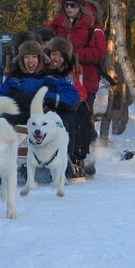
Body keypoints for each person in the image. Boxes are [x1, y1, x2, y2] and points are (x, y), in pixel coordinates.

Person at [43, 0, 107, 111]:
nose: (68, 8)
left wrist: (73, 54)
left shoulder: (93, 25)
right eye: (66, 5)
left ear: (80, 5)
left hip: (86, 79)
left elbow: (100, 51)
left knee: (82, 117)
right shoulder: (56, 24)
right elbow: (44, 39)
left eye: (72, 5)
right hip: (59, 79)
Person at [0, 40, 79, 127]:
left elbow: (72, 95)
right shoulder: (13, 79)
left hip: (42, 121)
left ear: (40, 59)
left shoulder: (50, 76)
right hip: (16, 121)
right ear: (21, 60)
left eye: (34, 57)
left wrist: (44, 97)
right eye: (27, 57)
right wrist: (12, 100)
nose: (30, 61)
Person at [41, 36, 95, 177]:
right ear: (48, 55)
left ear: (65, 58)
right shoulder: (43, 71)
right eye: (53, 54)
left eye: (60, 55)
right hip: (50, 106)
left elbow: (79, 89)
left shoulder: (68, 74)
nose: (56, 59)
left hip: (68, 105)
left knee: (82, 118)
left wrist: (80, 98)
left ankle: (78, 155)